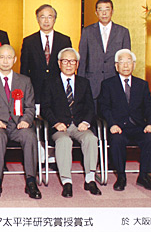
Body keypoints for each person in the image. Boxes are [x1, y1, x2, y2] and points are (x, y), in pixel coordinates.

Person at [0, 44, 41, 200]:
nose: (5, 61)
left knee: (30, 136)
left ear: (14, 60)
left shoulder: (25, 81)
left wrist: (26, 120)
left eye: (8, 57)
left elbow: (30, 106)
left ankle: (31, 181)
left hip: (19, 124)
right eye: (1, 57)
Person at [40, 48, 101, 198]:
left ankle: (90, 179)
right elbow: (45, 108)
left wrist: (86, 122)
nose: (69, 64)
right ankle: (67, 182)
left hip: (79, 125)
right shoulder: (49, 83)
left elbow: (90, 107)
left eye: (72, 61)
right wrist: (55, 123)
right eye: (65, 61)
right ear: (59, 63)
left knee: (91, 139)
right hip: (59, 127)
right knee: (64, 141)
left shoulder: (84, 83)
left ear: (77, 64)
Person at [98, 49, 151, 192]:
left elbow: (150, 107)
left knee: (150, 138)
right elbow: (104, 108)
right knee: (117, 140)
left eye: (129, 62)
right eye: (122, 62)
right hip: (118, 126)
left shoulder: (142, 85)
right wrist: (112, 124)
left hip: (138, 126)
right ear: (116, 66)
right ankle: (121, 176)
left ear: (134, 65)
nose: (125, 65)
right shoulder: (108, 84)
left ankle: (144, 176)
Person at [78, 0, 131, 100]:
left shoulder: (123, 32)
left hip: (114, 79)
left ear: (112, 11)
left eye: (107, 9)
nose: (104, 13)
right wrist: (81, 82)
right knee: (93, 113)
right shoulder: (87, 31)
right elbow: (83, 59)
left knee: (113, 112)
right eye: (100, 10)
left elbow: (126, 60)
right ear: (96, 13)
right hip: (93, 80)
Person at [20, 4, 72, 104]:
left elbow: (69, 66)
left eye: (50, 17)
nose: (46, 21)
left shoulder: (64, 40)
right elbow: (24, 69)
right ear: (37, 19)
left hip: (58, 89)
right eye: (42, 17)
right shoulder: (29, 41)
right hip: (35, 89)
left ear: (55, 19)